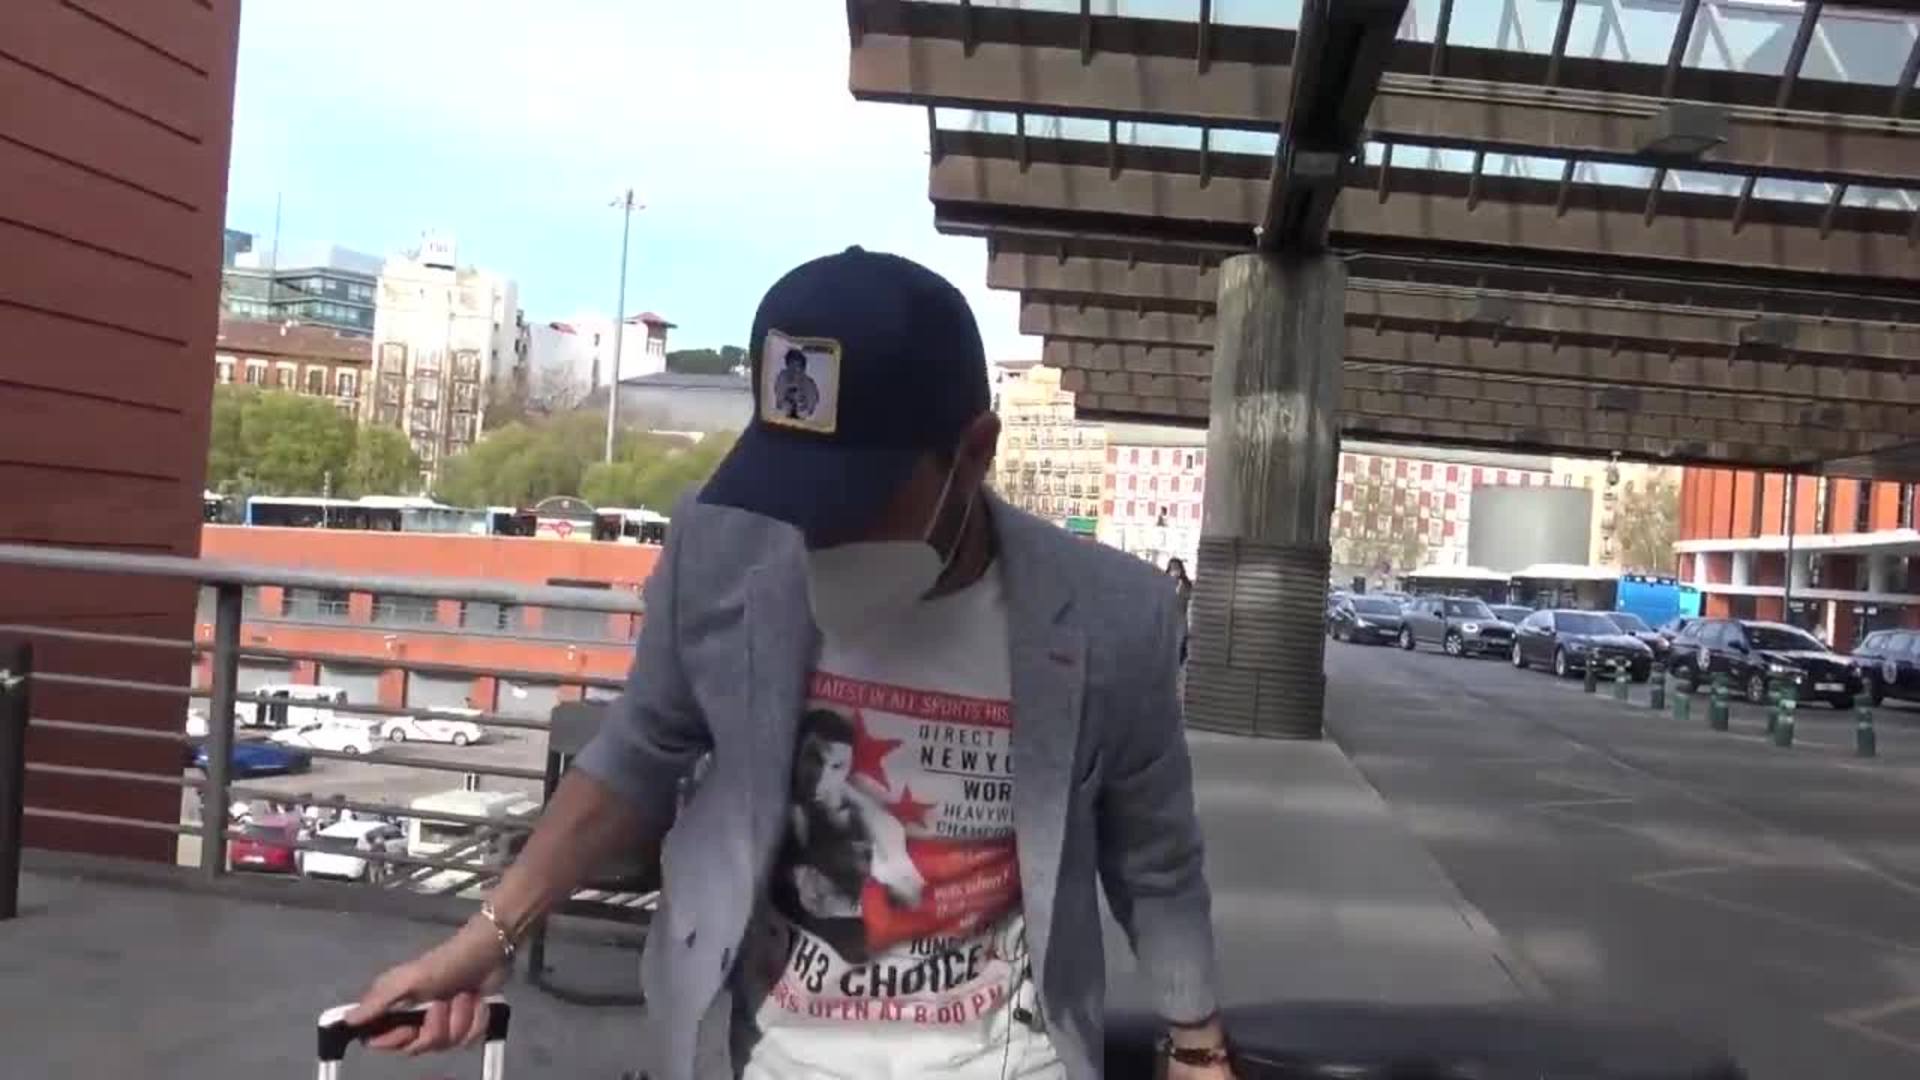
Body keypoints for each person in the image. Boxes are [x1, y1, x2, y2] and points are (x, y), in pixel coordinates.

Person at [346, 248, 1230, 1080]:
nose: (818, 525)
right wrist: (488, 937)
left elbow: (1155, 859)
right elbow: (638, 753)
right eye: (794, 486)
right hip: (765, 1058)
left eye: (859, 494)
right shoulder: (723, 550)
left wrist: (1197, 1047)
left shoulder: (1113, 617)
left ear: (974, 455)